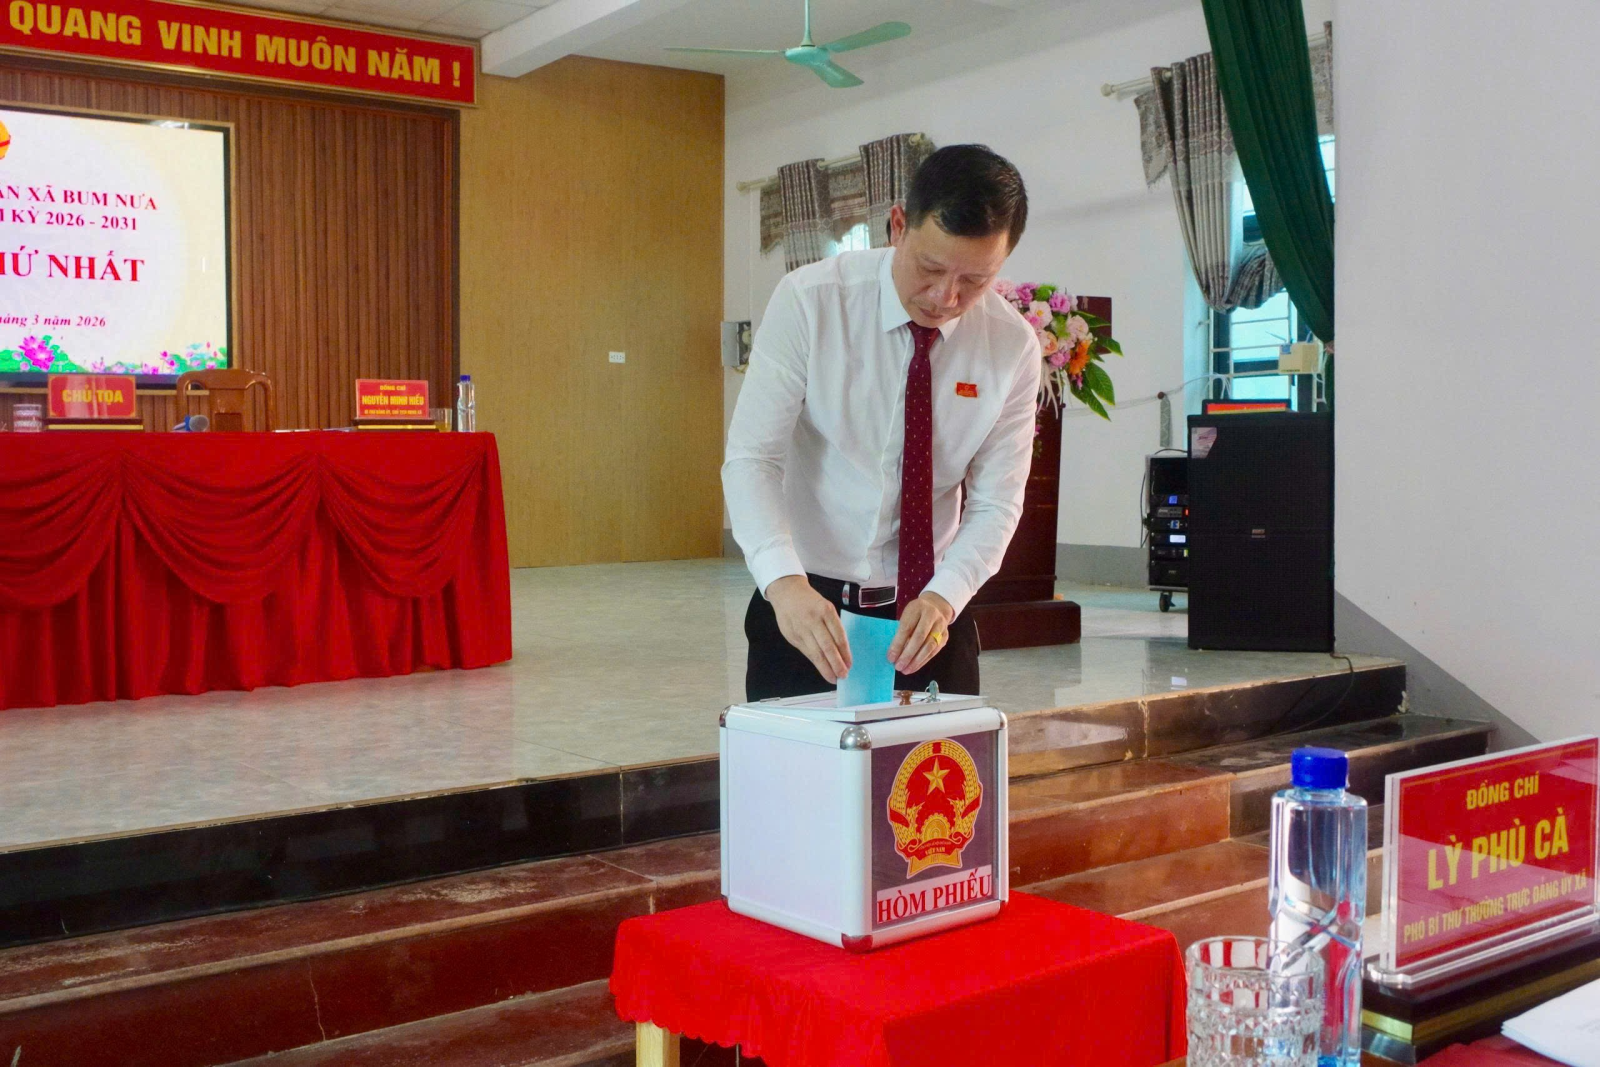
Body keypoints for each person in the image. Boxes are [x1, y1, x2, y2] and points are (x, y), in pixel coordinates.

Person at [724, 144, 1040, 702]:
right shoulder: (812, 302)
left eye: (975, 280)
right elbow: (754, 458)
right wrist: (783, 583)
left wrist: (945, 596)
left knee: (940, 762)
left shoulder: (1010, 345)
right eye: (931, 268)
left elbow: (997, 502)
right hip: (806, 606)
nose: (945, 297)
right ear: (898, 225)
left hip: (931, 615)